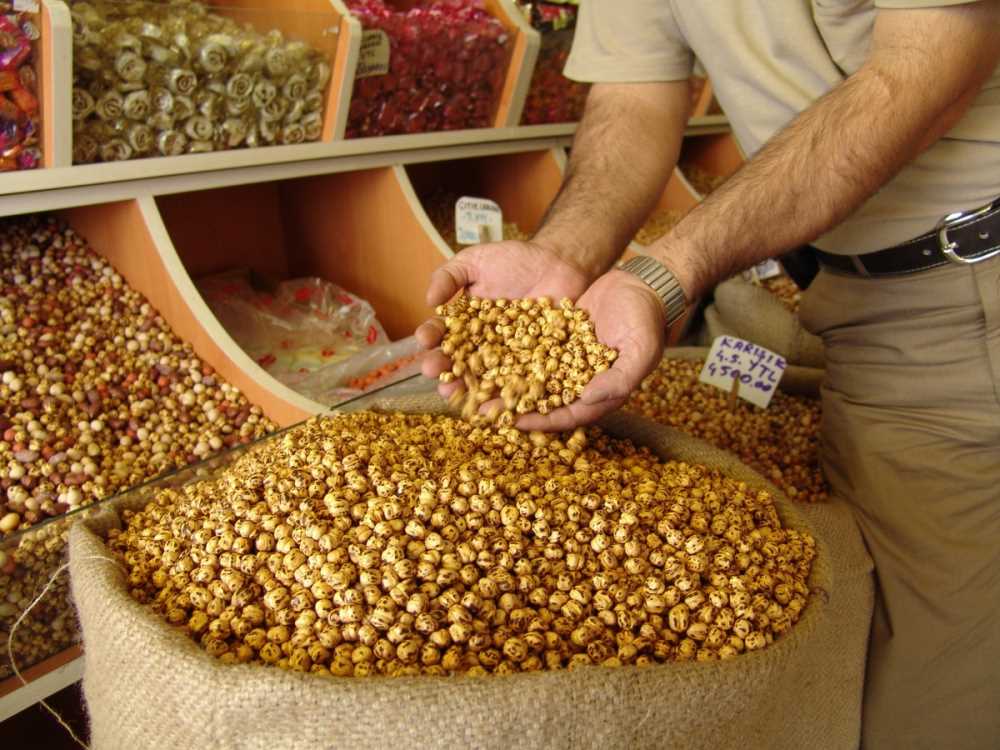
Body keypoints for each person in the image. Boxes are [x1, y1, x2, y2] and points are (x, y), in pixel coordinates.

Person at [416, 1, 1000, 747]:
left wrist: (667, 272)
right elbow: (634, 100)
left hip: (968, 269)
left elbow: (926, 69)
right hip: (849, 287)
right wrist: (562, 255)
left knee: (927, 689)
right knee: (868, 626)